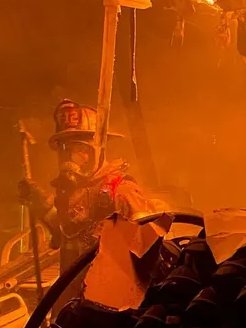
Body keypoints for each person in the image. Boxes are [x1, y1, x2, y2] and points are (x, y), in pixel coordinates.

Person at [18, 100, 152, 273]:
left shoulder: (121, 191)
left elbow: (148, 253)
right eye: (67, 149)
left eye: (80, 148)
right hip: (74, 292)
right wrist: (41, 204)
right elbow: (66, 232)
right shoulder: (70, 192)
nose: (72, 157)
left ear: (97, 150)